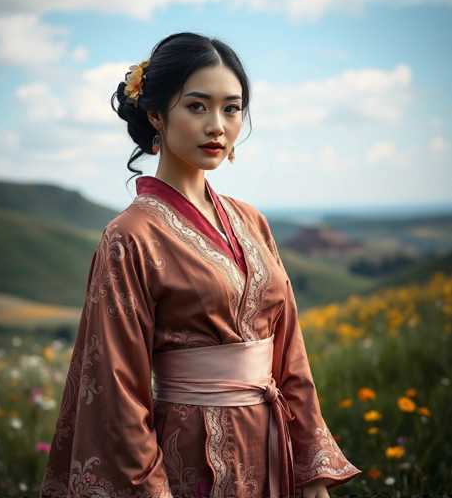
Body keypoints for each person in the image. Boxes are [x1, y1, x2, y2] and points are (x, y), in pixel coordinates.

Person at [39, 32, 362, 498]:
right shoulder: (129, 238)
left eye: (231, 108)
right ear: (156, 115)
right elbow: (117, 391)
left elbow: (290, 352)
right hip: (188, 455)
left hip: (272, 449)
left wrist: (312, 471)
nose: (217, 125)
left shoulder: (251, 221)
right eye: (196, 106)